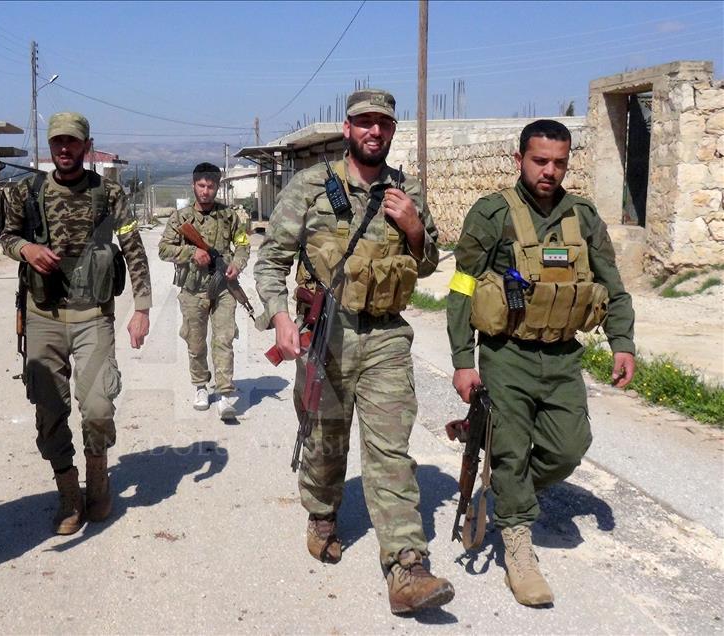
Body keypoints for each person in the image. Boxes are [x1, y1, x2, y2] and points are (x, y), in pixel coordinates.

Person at [254, 89, 454, 614]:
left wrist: (414, 227)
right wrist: (280, 318)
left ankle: (407, 565)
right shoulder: (310, 187)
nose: (374, 132)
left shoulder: (406, 190)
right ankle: (322, 512)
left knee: (390, 450)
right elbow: (271, 260)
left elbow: (428, 262)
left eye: (383, 124)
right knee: (324, 441)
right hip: (326, 332)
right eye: (364, 123)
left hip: (386, 335)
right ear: (347, 129)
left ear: (392, 132)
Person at [446, 119, 635, 607]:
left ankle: (509, 494)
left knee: (569, 447)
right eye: (540, 161)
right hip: (506, 354)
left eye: (559, 163)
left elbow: (612, 284)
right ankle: (518, 546)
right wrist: (463, 360)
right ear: (519, 160)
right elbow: (462, 286)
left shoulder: (582, 216)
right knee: (510, 450)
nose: (549, 171)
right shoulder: (492, 214)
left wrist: (623, 342)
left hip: (562, 354)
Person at [0, 112, 152, 536]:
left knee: (98, 405)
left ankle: (97, 477)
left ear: (86, 145)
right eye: (57, 142)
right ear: (50, 146)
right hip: (43, 314)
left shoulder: (109, 193)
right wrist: (27, 249)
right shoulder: (27, 192)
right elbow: (7, 236)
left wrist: (142, 307)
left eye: (72, 141)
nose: (64, 149)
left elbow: (133, 245)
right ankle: (68, 490)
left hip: (92, 316)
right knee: (49, 408)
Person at [157, 162, 251, 419]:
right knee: (196, 342)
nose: (206, 191)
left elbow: (243, 244)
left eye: (211, 186)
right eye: (201, 185)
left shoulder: (229, 216)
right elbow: (163, 249)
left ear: (218, 187)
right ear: (193, 185)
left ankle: (224, 392)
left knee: (224, 339)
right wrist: (191, 252)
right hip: (193, 289)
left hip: (223, 288)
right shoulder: (181, 218)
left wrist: (237, 264)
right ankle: (200, 386)